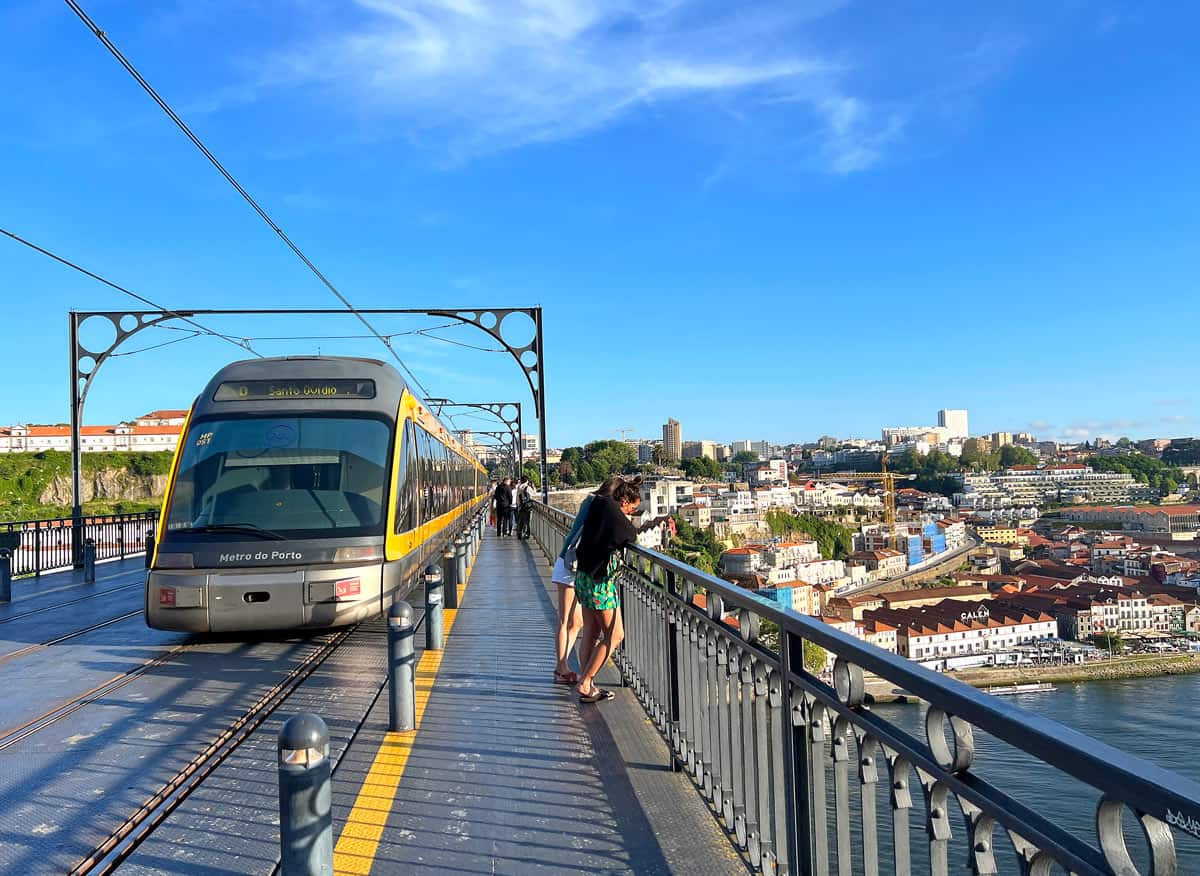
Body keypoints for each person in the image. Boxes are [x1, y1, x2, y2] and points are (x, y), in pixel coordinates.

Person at [573, 477, 644, 703]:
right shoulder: (612, 511)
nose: (632, 515)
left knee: (592, 633)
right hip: (599, 583)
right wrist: (625, 520)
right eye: (632, 509)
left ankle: (587, 685)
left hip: (584, 577)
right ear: (624, 501)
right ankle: (586, 681)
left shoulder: (598, 503)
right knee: (615, 635)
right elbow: (630, 536)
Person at [552, 476, 622, 685]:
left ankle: (568, 669)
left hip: (571, 565)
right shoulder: (599, 505)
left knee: (576, 622)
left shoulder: (590, 501)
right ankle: (561, 668)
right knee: (567, 621)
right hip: (570, 566)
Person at [514, 475, 534, 540]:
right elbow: (534, 494)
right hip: (527, 507)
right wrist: (533, 486)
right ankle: (527, 534)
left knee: (521, 521)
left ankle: (519, 534)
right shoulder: (528, 487)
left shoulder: (519, 487)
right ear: (527, 480)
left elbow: (517, 498)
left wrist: (518, 505)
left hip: (521, 507)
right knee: (528, 521)